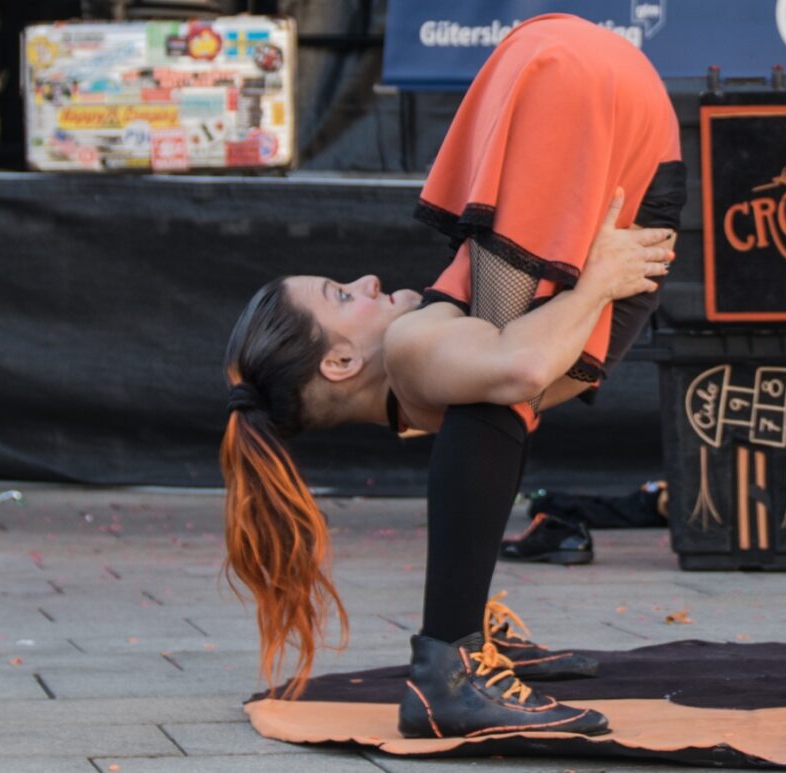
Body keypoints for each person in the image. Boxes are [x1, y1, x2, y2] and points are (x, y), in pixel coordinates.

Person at [219, 15, 683, 740]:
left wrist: (596, 285)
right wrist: (595, 285)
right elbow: (521, 367)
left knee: (497, 393)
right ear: (339, 363)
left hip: (573, 80)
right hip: (585, 86)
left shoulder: (423, 350)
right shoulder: (415, 350)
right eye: (343, 295)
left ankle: (455, 658)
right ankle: (453, 663)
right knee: (501, 394)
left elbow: (517, 368)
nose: (368, 280)